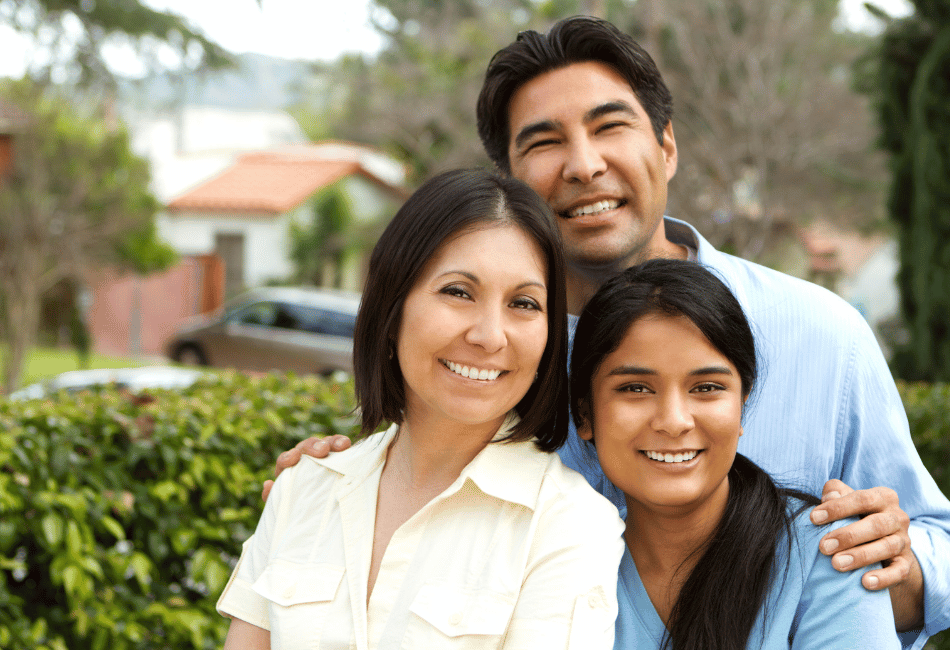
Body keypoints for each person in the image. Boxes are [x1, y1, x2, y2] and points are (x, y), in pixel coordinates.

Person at [270, 16, 950, 647]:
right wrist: (340, 490)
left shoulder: (818, 333)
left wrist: (891, 569)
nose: (583, 165)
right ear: (511, 184)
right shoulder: (491, 359)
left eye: (610, 127)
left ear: (667, 146)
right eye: (543, 142)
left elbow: (933, 539)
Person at [218, 168, 624, 649]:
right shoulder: (304, 489)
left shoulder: (569, 526)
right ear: (393, 307)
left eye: (524, 303)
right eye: (458, 292)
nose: (490, 335)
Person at [571, 258, 900, 649]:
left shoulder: (827, 554)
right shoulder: (564, 563)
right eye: (636, 389)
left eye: (706, 387)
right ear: (585, 414)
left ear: (741, 406)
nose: (674, 421)